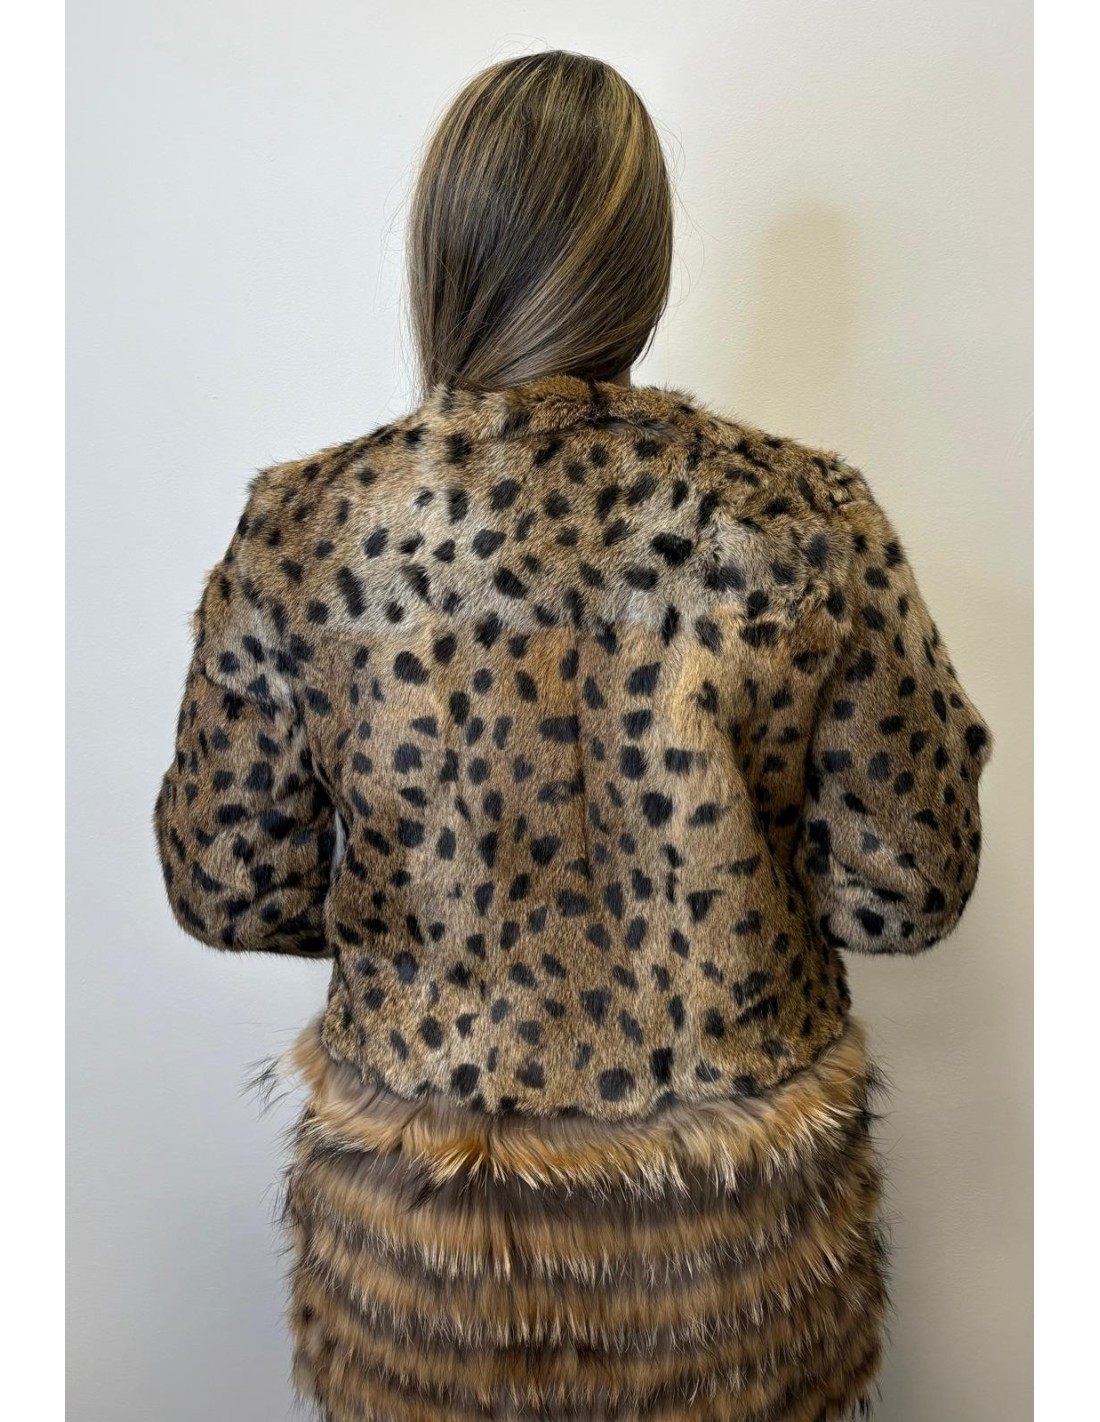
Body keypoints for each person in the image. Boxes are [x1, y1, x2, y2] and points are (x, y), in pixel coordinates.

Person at [153, 49, 992, 1421]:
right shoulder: (798, 517)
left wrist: (432, 927)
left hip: (430, 1259)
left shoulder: (314, 527)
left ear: (445, 253)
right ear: (639, 269)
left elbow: (227, 881)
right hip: (730, 1263)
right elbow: (909, 888)